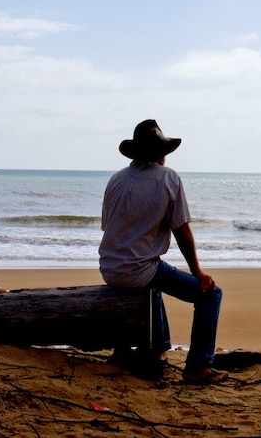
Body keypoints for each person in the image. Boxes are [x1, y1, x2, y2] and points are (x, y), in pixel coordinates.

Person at [99, 119, 226, 384]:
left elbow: (108, 226)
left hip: (109, 267)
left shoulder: (117, 178)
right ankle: (198, 366)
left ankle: (157, 347)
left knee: (153, 274)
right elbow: (181, 230)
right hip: (138, 270)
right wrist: (198, 273)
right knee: (210, 295)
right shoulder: (169, 178)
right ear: (161, 154)